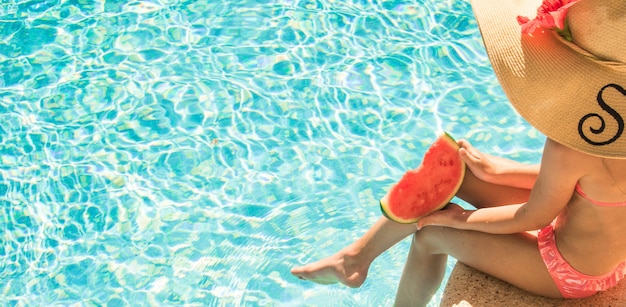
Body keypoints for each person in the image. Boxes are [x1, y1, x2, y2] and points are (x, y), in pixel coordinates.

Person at [290, 0, 626, 305]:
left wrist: (460, 219)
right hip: (601, 250)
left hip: (572, 273)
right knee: (457, 170)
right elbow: (581, 185)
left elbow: (533, 217)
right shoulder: (602, 133)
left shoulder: (572, 145)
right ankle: (355, 258)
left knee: (431, 236)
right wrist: (497, 172)